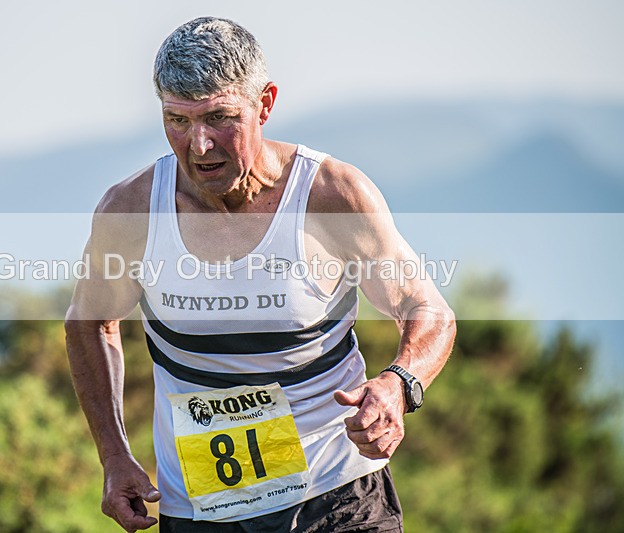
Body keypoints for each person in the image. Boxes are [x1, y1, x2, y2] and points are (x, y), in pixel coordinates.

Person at [65, 17, 455, 533]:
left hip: (335, 495)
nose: (199, 145)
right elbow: (88, 322)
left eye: (219, 118)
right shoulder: (132, 212)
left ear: (265, 104)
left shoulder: (332, 196)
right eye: (177, 121)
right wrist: (114, 456)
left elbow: (425, 308)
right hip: (201, 506)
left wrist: (399, 383)